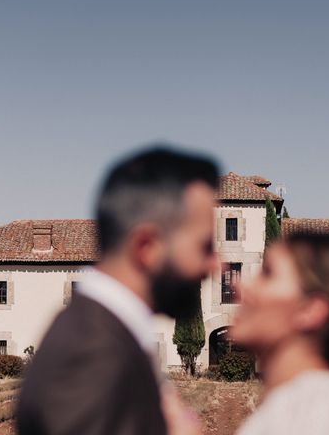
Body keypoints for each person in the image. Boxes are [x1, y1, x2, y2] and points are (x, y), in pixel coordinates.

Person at [17, 146, 219, 435]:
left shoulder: (104, 336)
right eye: (205, 247)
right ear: (146, 247)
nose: (216, 264)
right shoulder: (90, 355)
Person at [230, 232, 329, 435]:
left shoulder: (311, 413)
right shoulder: (302, 405)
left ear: (310, 309)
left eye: (268, 273)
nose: (240, 286)